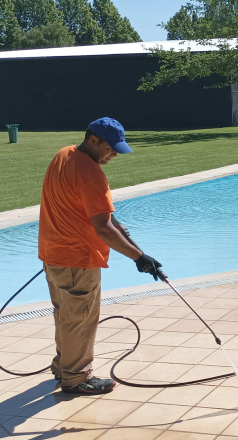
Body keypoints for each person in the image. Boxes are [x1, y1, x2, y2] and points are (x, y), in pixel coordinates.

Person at [38, 117, 163, 395]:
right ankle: (76, 377)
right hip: (77, 257)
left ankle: (63, 366)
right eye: (111, 147)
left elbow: (99, 215)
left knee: (65, 315)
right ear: (93, 140)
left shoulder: (64, 155)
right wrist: (139, 257)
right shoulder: (91, 172)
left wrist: (118, 227)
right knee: (80, 318)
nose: (114, 154)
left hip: (53, 254)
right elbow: (104, 229)